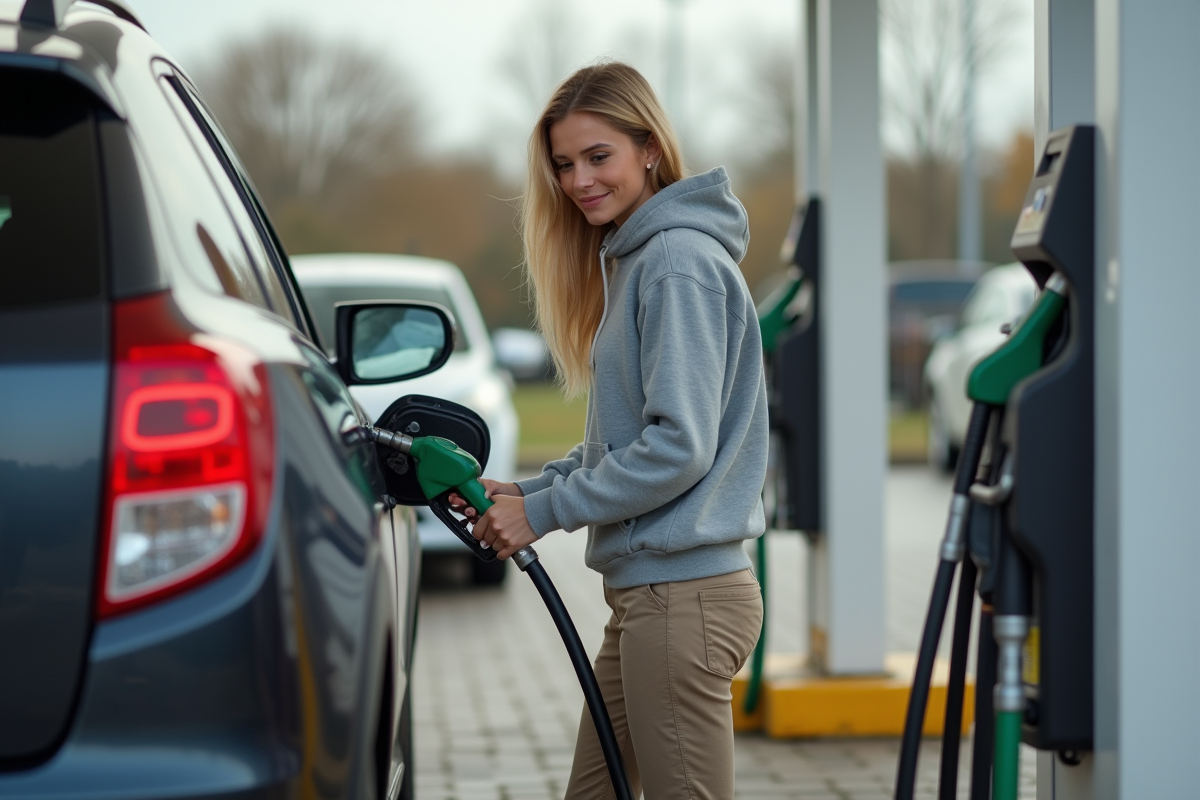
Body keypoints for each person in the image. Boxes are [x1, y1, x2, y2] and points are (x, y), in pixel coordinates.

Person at [453, 62, 768, 800]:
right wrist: (528, 490)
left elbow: (677, 447)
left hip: (682, 599)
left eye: (599, 157)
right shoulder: (638, 258)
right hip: (651, 602)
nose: (579, 180)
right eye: (564, 165)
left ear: (650, 148)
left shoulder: (675, 263)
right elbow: (629, 441)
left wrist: (544, 513)